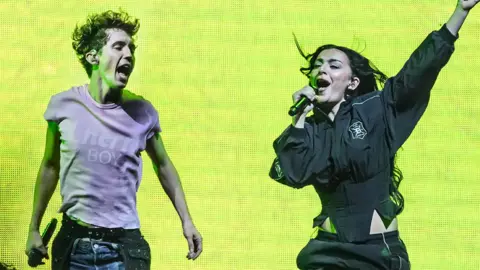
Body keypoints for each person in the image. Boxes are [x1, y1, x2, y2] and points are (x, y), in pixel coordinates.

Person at [269, 1, 478, 269]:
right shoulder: (307, 132)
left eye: (333, 66)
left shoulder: (375, 111)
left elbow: (418, 72)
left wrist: (460, 12)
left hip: (377, 254)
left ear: (352, 82)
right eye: (317, 65)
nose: (322, 70)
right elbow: (295, 174)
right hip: (327, 252)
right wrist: (298, 119)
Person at [25, 10, 202, 270]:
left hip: (125, 248)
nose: (128, 54)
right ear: (93, 56)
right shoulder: (63, 106)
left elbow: (164, 166)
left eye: (131, 49)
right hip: (74, 247)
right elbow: (50, 166)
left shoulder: (143, 112)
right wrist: (33, 228)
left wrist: (187, 221)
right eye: (118, 47)